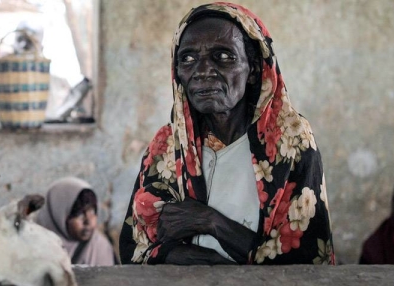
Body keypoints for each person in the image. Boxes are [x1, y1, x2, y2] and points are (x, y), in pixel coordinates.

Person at [119, 2, 335, 265]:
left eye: (223, 56)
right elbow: (132, 245)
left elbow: (306, 257)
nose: (202, 71)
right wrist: (180, 255)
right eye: (187, 59)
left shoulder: (290, 141)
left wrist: (209, 221)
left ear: (254, 69)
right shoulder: (166, 144)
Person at [36, 177, 115, 266]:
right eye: (79, 214)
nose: (88, 221)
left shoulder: (99, 248)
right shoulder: (35, 249)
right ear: (58, 216)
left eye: (92, 211)